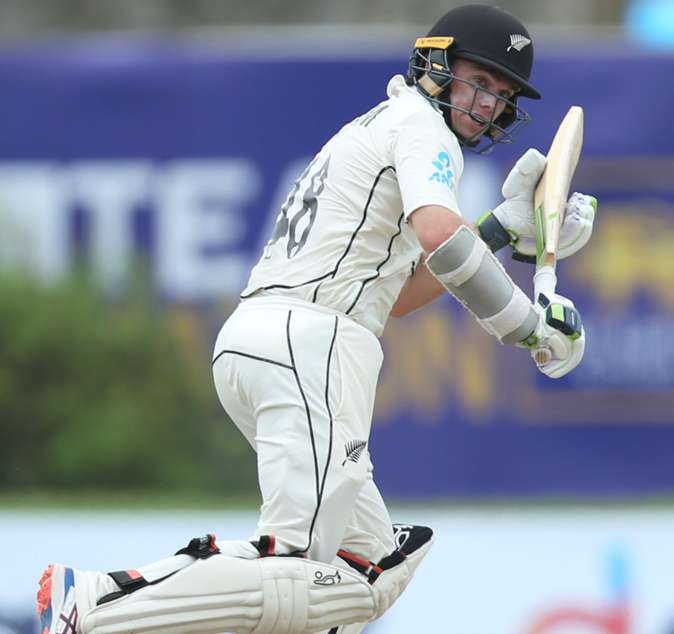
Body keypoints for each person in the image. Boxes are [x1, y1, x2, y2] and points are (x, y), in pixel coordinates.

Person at [36, 5, 596, 633]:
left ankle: (107, 604)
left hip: (267, 340)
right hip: (311, 344)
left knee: (370, 569)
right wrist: (530, 326)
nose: (488, 102)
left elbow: (399, 294)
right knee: (295, 565)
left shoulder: (380, 125)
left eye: (502, 93)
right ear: (435, 64)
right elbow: (441, 236)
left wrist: (497, 229)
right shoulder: (422, 128)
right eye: (479, 80)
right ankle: (96, 606)